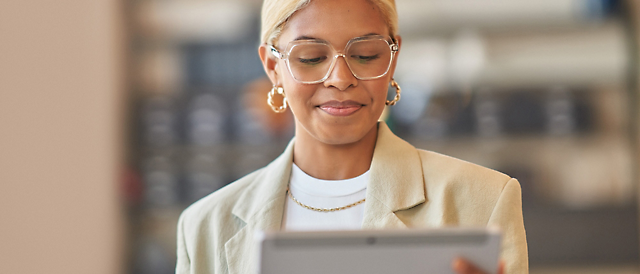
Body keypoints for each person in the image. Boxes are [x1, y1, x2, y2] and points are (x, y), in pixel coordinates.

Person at [175, 0, 528, 273]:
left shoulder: (483, 201)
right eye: (311, 57)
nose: (340, 78)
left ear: (392, 59)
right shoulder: (206, 226)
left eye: (365, 54)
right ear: (272, 67)